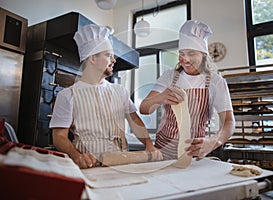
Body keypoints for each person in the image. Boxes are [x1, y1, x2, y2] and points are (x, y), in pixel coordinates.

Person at [49, 24, 162, 169]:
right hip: (91, 166)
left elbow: (134, 120)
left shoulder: (120, 91)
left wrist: (149, 144)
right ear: (92, 59)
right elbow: (59, 136)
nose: (114, 60)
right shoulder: (68, 95)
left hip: (122, 163)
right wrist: (76, 155)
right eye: (108, 55)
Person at [140, 20, 235, 161]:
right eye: (182, 54)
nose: (185, 59)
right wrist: (159, 98)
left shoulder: (215, 82)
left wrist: (213, 141)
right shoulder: (169, 77)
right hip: (163, 150)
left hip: (193, 152)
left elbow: (229, 122)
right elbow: (144, 108)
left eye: (191, 53)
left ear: (203, 55)